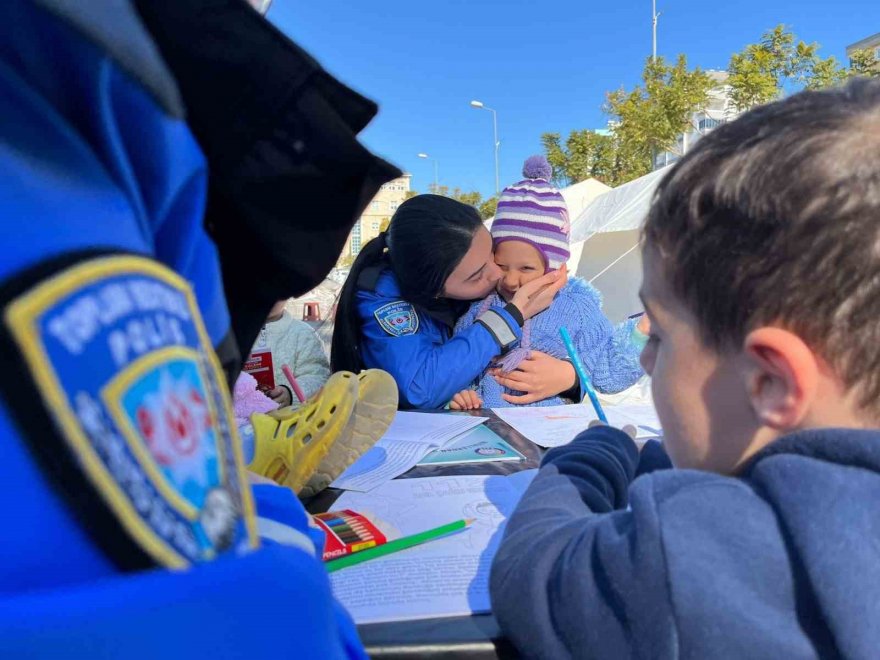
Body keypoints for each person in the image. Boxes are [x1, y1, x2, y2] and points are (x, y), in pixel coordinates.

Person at [0, 1, 399, 656]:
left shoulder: (145, 97)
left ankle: (261, 453)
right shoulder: (89, 81)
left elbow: (195, 416)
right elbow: (209, 610)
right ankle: (266, 454)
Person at [490, 78, 880, 658]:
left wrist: (591, 456)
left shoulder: (696, 554)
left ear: (770, 381)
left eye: (661, 334)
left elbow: (531, 569)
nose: (645, 354)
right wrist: (651, 456)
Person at [331, 194, 573, 410]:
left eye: (492, 254)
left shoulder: (502, 285)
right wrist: (511, 316)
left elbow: (585, 347)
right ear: (434, 292)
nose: (498, 274)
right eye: (477, 275)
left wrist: (570, 377)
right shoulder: (384, 300)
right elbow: (419, 388)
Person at [451, 156, 646, 410]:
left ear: (554, 266)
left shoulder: (576, 306)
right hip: (489, 432)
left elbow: (605, 370)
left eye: (527, 268)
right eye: (501, 265)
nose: (511, 280)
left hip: (548, 435)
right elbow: (457, 363)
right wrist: (461, 395)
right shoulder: (481, 305)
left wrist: (640, 334)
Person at [253, 300, 331, 407]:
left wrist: (290, 393)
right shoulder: (231, 333)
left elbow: (318, 377)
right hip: (238, 420)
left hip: (290, 419)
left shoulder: (303, 334)